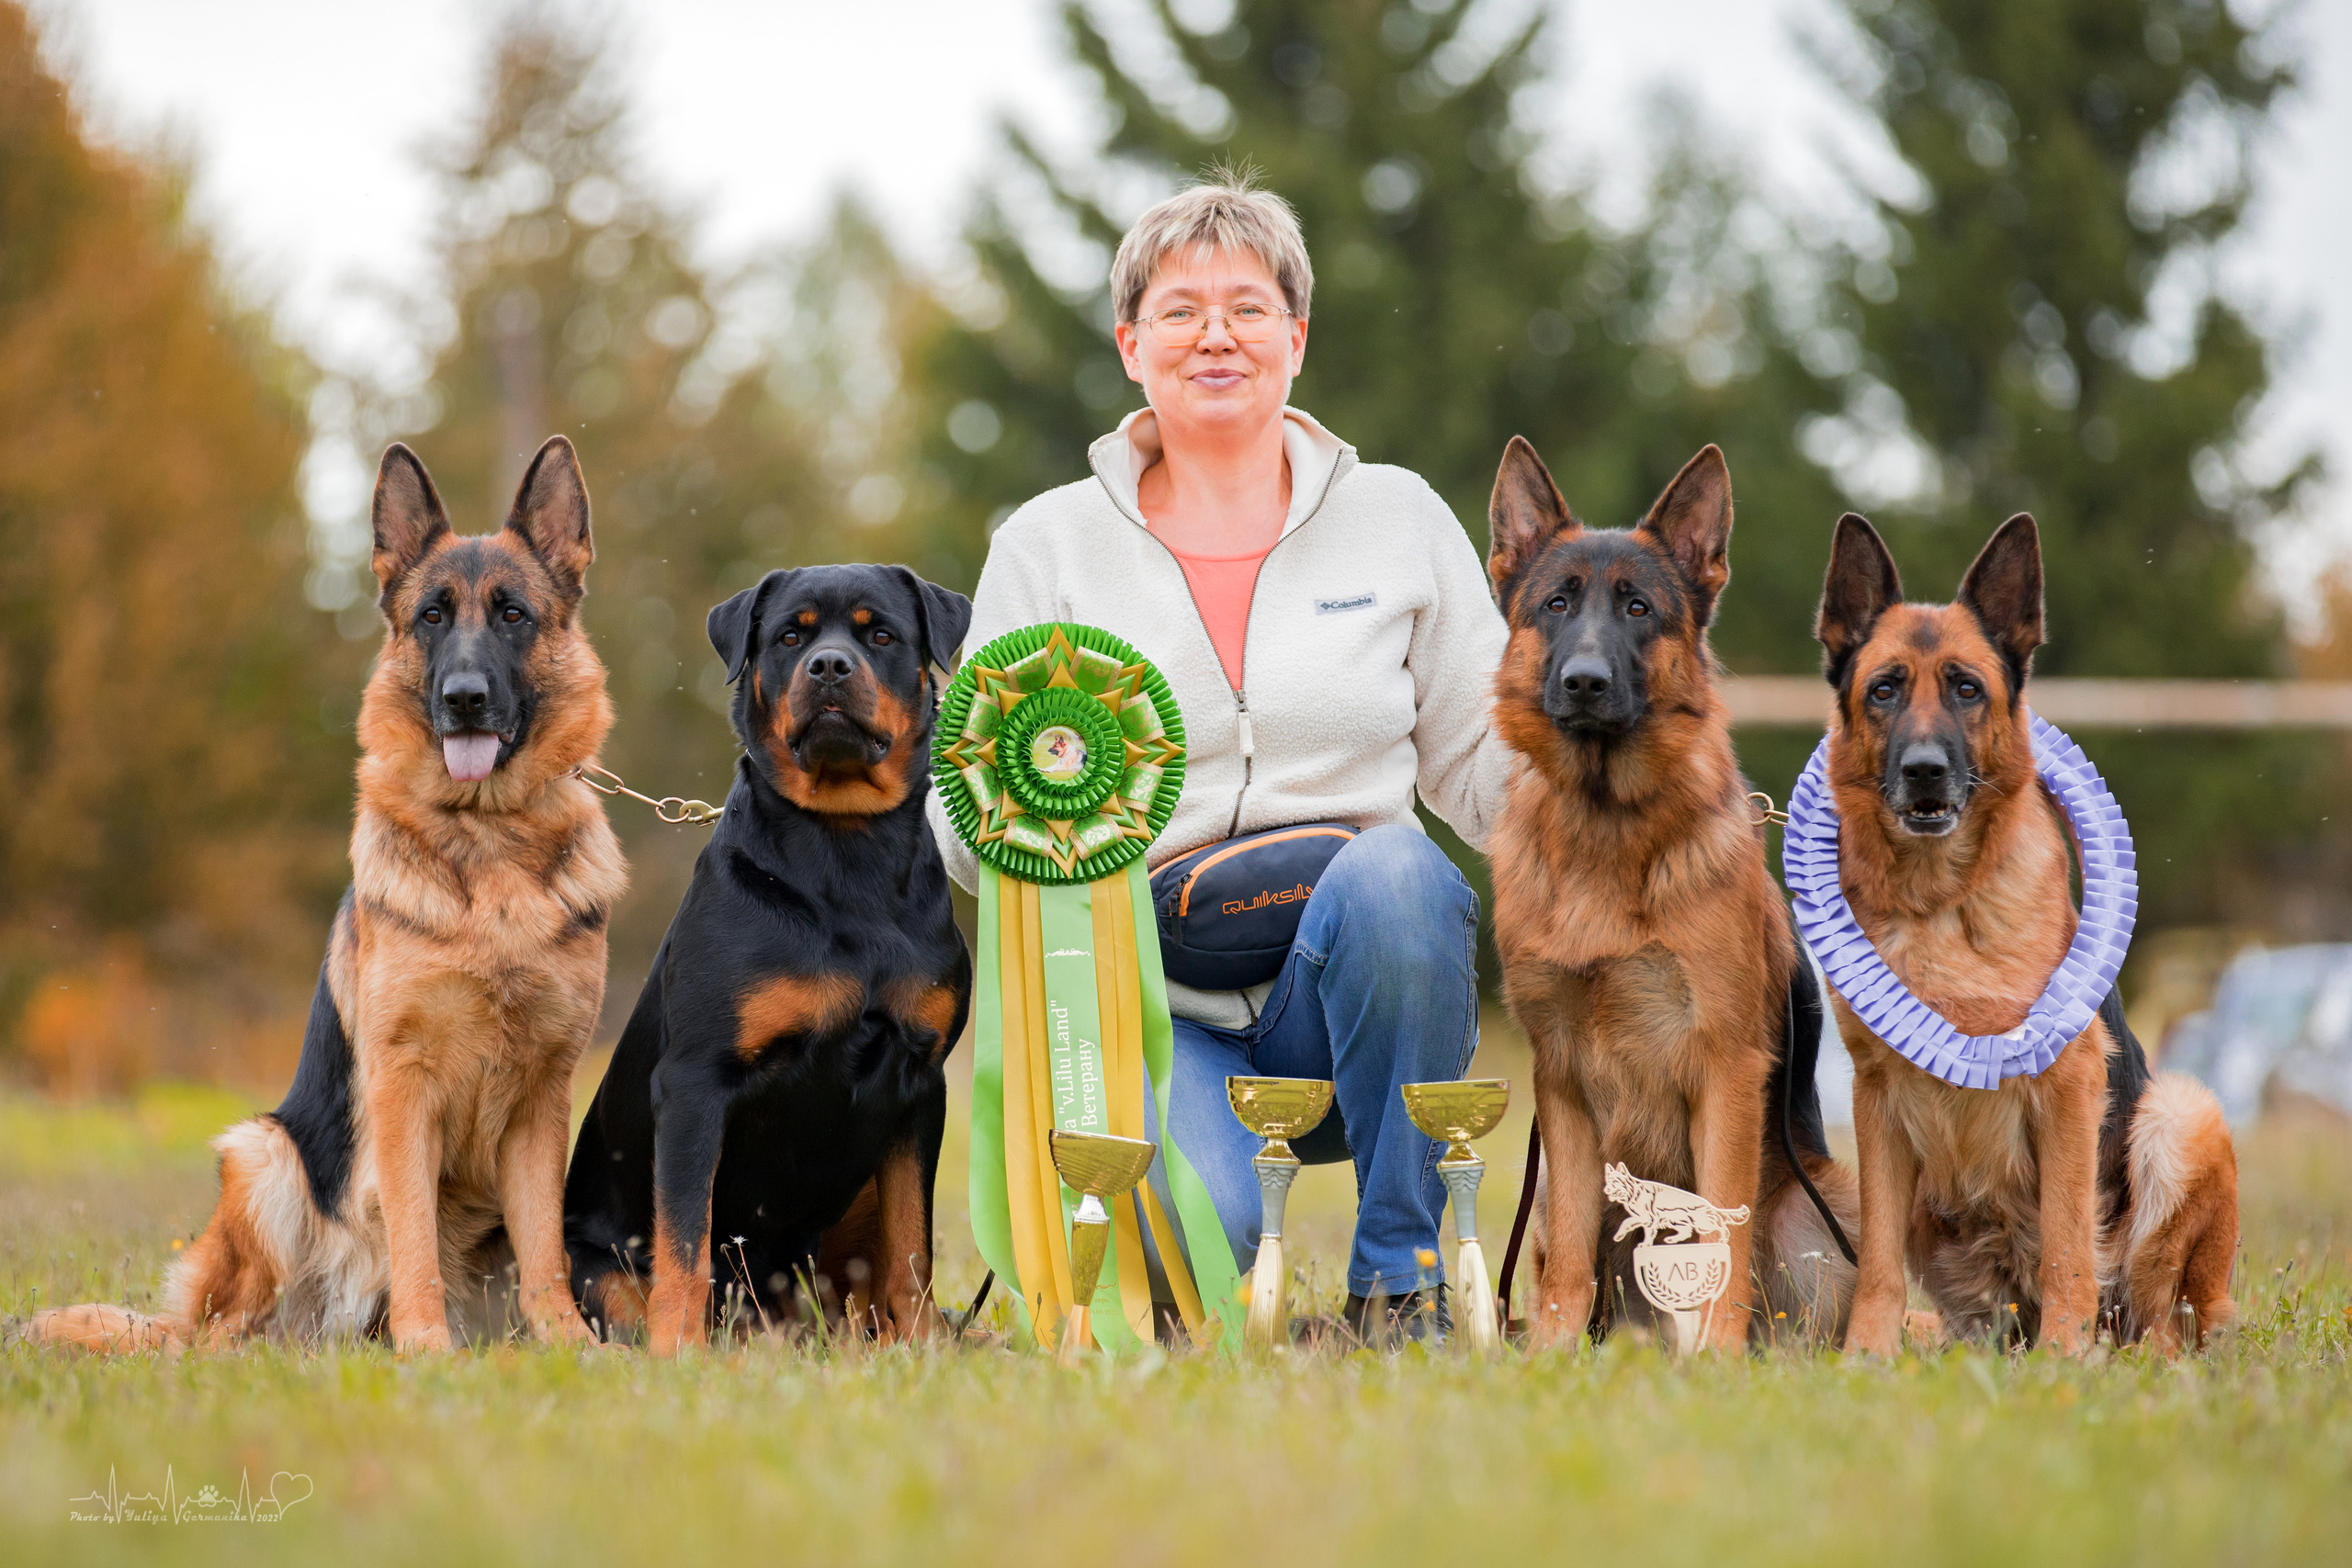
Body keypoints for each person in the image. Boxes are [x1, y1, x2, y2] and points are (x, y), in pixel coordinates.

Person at [928, 174, 1515, 1339]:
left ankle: (1399, 1282)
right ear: (1130, 343)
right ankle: (1188, 1213)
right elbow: (964, 822)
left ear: (1296, 339)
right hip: (1151, 1005)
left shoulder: (1398, 517)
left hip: (1356, 985)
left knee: (1402, 876)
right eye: (1181, 309)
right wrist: (1031, 826)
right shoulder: (1046, 544)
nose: (1216, 336)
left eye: (1248, 308)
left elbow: (1492, 770)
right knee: (1181, 1268)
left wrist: (1631, 804)